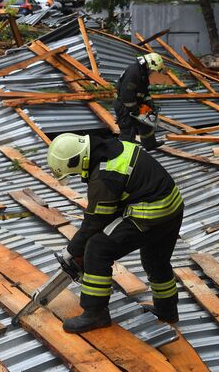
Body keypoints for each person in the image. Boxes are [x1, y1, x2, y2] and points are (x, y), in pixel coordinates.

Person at [46, 133, 184, 333]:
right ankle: (167, 310)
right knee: (156, 260)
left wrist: (72, 250)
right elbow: (113, 206)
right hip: (172, 208)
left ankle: (95, 314)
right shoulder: (112, 146)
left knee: (96, 248)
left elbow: (95, 221)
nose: (77, 176)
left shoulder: (105, 175)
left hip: (150, 213)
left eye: (74, 173)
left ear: (78, 161)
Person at [113, 52, 165, 151]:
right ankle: (122, 153)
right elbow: (126, 94)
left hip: (135, 102)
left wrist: (150, 103)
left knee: (147, 124)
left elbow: (144, 92)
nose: (152, 72)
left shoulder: (143, 73)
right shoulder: (134, 72)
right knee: (128, 131)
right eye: (152, 70)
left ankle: (150, 144)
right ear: (149, 64)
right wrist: (134, 109)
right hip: (124, 105)